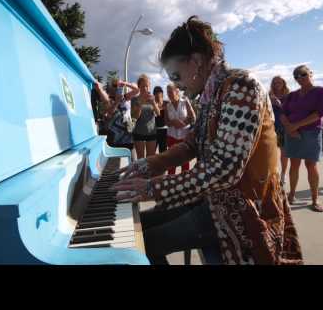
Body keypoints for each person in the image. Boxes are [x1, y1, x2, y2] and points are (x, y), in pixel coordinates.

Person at [111, 16, 303, 265]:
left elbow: (225, 170)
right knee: (133, 230)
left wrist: (153, 188)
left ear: (197, 62)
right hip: (215, 199)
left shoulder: (242, 86)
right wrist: (149, 165)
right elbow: (192, 144)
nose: (177, 87)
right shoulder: (213, 91)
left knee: (141, 243)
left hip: (240, 209)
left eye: (177, 77)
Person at [280, 65, 323, 212]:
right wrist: (290, 128)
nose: (300, 78)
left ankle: (315, 199)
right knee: (294, 164)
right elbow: (283, 113)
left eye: (303, 74)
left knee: (311, 165)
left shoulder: (321, 91)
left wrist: (295, 126)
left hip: (311, 133)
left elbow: (320, 112)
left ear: (310, 73)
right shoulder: (292, 95)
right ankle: (291, 196)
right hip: (292, 134)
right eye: (296, 76)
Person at [93, 79, 139, 157]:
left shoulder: (125, 98)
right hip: (115, 138)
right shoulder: (108, 100)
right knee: (116, 162)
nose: (117, 88)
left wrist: (125, 83)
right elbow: (109, 112)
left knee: (131, 162)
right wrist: (117, 102)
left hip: (128, 136)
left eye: (118, 86)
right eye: (114, 86)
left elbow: (137, 90)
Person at [165, 83, 196, 174]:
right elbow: (166, 122)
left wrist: (183, 123)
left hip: (184, 137)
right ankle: (170, 182)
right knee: (171, 161)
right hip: (171, 137)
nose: (169, 94)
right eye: (167, 92)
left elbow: (193, 117)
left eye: (170, 92)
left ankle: (184, 183)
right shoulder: (167, 106)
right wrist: (173, 122)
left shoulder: (185, 102)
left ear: (176, 91)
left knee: (185, 162)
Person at [131, 75, 161, 159]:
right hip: (138, 132)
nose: (145, 88)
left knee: (150, 158)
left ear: (149, 86)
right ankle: (140, 173)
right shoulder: (134, 99)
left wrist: (153, 103)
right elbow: (135, 117)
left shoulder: (152, 98)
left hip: (151, 132)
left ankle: (148, 173)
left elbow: (158, 114)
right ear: (139, 86)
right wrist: (141, 103)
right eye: (143, 86)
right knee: (140, 159)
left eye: (147, 86)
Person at [269, 76, 290, 186]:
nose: (277, 84)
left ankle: (283, 174)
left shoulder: (289, 96)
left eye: (279, 82)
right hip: (271, 127)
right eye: (275, 82)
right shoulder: (268, 95)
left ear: (283, 83)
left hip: (283, 127)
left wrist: (279, 104)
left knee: (284, 152)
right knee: (271, 152)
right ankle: (273, 172)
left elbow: (292, 112)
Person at [153, 86, 169, 154]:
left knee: (163, 152)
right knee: (151, 153)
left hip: (164, 131)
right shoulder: (152, 103)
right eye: (155, 93)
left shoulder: (167, 103)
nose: (157, 95)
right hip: (154, 131)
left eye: (159, 93)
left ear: (162, 94)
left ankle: (163, 165)